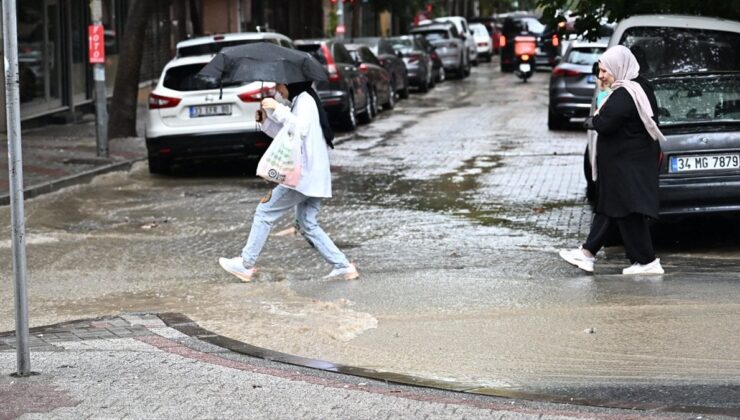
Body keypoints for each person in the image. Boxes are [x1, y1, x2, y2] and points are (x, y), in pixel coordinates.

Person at [219, 81, 359, 282]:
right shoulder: (300, 101)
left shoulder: (305, 101)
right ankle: (343, 266)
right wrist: (266, 121)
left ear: (291, 83)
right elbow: (287, 134)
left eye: (279, 85)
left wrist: (278, 108)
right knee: (306, 223)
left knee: (264, 211)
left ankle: (245, 263)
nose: (277, 90)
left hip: (304, 177)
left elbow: (299, 128)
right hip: (313, 176)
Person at [559, 45, 666, 275]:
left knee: (618, 209)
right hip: (626, 165)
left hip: (626, 166)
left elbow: (604, 122)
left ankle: (592, 254)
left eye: (605, 71)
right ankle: (643, 261)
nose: (601, 76)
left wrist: (592, 118)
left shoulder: (626, 93)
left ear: (619, 67)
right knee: (618, 210)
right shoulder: (638, 87)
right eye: (600, 71)